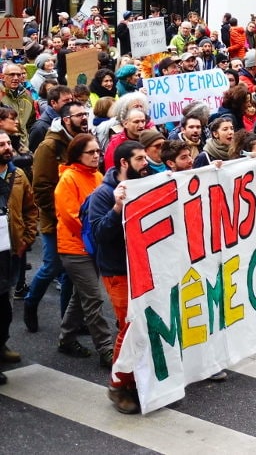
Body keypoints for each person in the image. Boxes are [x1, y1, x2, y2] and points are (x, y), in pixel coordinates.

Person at [92, 140, 149, 414]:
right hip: (118, 271)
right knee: (129, 328)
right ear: (124, 163)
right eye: (139, 159)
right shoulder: (102, 195)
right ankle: (118, 385)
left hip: (143, 267)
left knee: (144, 326)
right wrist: (117, 208)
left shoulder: (147, 182)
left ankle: (138, 379)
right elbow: (99, 234)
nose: (146, 163)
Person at [24, 100, 91, 333]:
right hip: (55, 221)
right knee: (53, 267)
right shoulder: (49, 146)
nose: (84, 118)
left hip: (78, 220)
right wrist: (59, 215)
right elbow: (40, 188)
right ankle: (31, 304)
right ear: (66, 120)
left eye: (85, 113)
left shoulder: (83, 140)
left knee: (70, 276)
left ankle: (68, 323)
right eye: (79, 115)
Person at [55, 133, 114, 364]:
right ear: (77, 155)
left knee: (81, 297)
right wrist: (101, 231)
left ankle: (66, 338)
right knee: (94, 298)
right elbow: (72, 218)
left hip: (94, 247)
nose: (96, 156)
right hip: (74, 248)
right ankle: (106, 348)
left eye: (98, 151)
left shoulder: (98, 176)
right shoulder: (68, 180)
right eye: (91, 152)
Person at [0, 130, 37, 384]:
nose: (6, 147)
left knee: (5, 306)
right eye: (0, 144)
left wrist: (27, 238)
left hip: (12, 251)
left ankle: (1, 345)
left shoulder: (18, 174)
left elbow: (30, 209)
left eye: (6, 143)